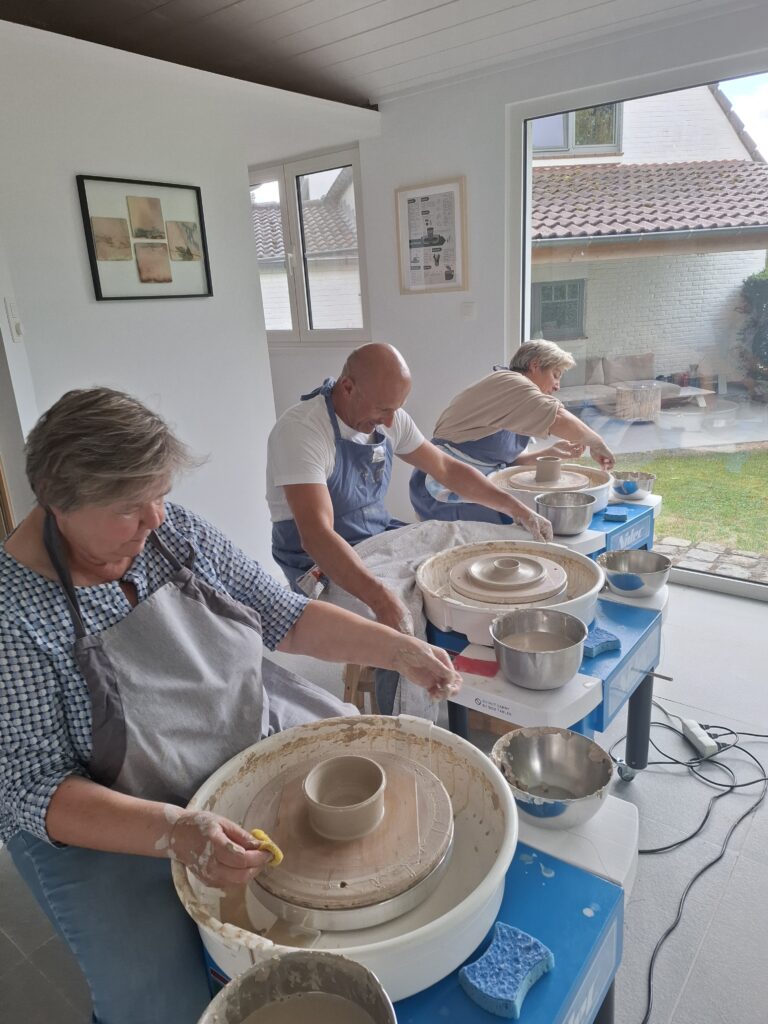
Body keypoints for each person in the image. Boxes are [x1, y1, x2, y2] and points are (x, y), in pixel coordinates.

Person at [0, 387, 462, 1024]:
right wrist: (173, 830)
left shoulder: (170, 533)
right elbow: (30, 786)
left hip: (237, 728)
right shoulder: (13, 618)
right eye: (131, 509)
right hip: (109, 813)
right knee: (157, 999)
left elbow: (284, 619)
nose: (156, 519)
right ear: (57, 505)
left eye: (160, 496)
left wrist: (398, 650)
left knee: (365, 772)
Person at [267, 344, 553, 625]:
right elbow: (317, 536)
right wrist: (380, 599)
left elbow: (447, 469)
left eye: (396, 409)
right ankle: (400, 668)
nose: (390, 420)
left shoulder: (388, 418)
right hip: (316, 562)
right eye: (383, 409)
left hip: (377, 536)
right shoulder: (303, 431)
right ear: (347, 387)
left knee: (463, 546)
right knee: (399, 611)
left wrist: (518, 509)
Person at [409, 340, 616, 523]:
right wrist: (597, 442)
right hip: (442, 484)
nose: (557, 386)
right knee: (519, 521)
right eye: (555, 375)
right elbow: (558, 417)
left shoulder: (519, 402)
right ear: (535, 365)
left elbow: (511, 462)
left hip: (475, 482)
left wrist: (549, 453)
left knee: (530, 515)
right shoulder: (510, 383)